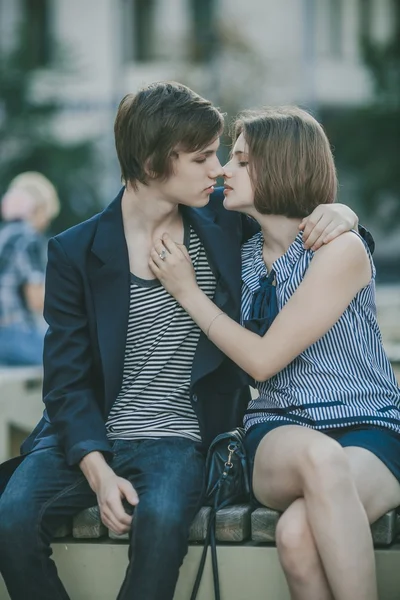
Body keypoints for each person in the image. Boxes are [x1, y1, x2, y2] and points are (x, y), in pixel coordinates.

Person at [0, 85, 360, 600]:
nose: (217, 168)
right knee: (10, 520)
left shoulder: (224, 219)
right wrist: (98, 473)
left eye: (217, 154)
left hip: (179, 436)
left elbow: (304, 218)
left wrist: (343, 215)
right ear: (150, 165)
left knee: (164, 522)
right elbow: (66, 383)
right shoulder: (74, 252)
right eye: (201, 157)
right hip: (85, 435)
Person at [149, 106, 400, 600]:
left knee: (295, 535)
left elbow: (263, 360)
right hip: (279, 429)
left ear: (282, 166)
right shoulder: (235, 255)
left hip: (370, 427)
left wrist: (188, 293)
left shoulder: (340, 250)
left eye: (240, 161)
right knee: (321, 459)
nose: (224, 169)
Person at [0, 172, 60, 366]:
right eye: (46, 214)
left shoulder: (4, 235)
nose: (47, 222)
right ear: (37, 208)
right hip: (15, 334)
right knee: (74, 356)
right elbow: (37, 300)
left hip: (5, 335)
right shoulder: (29, 238)